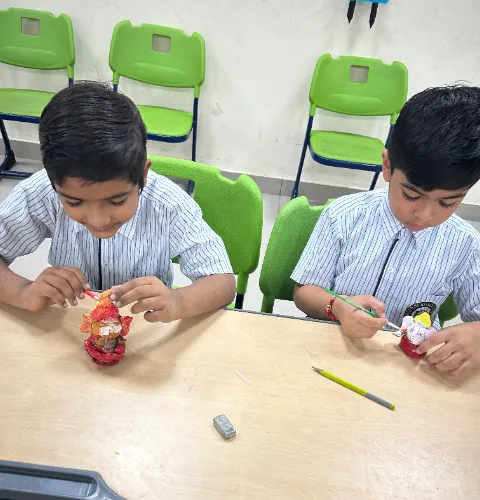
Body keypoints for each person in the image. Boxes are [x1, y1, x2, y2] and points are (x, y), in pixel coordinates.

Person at [0, 82, 236, 323]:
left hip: (145, 328)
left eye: (117, 200)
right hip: (70, 328)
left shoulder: (168, 206)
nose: (99, 220)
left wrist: (178, 301)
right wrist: (23, 292)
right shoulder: (40, 193)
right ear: (53, 183)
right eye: (74, 202)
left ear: (143, 175)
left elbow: (223, 282)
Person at [292, 85, 480, 377]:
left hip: (410, 370)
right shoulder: (343, 216)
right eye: (411, 195)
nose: (425, 215)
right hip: (331, 351)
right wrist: (336, 306)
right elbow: (304, 292)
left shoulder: (465, 243)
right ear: (388, 166)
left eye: (448, 202)